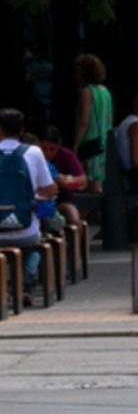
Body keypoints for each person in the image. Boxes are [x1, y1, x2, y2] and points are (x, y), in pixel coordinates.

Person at [0, 108, 60, 296]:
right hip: (26, 230)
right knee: (35, 243)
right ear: (21, 131)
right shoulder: (34, 152)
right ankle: (25, 283)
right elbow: (49, 190)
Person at [72, 52, 111, 191]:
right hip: (103, 142)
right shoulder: (105, 92)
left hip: (89, 141)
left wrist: (76, 144)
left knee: (90, 181)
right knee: (97, 180)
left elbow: (84, 120)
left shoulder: (87, 91)